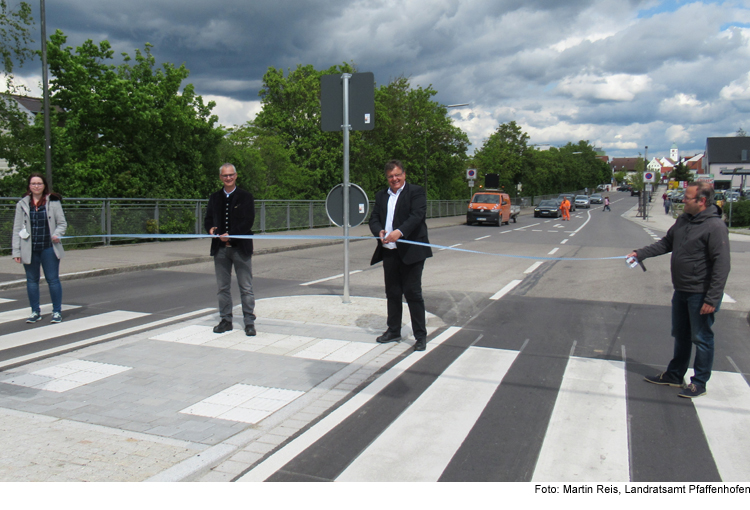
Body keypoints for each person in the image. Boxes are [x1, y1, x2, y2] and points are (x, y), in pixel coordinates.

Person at [629, 181, 730, 398]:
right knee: (681, 335)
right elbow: (666, 243)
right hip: (682, 289)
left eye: (687, 197)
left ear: (702, 201)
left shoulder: (715, 227)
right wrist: (641, 253)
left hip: (701, 293)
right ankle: (675, 375)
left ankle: (699, 382)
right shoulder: (684, 220)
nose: (682, 199)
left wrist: (712, 299)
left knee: (702, 338)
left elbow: (722, 265)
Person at [369, 160, 432, 351]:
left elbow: (417, 216)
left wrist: (399, 232)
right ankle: (393, 330)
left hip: (412, 252)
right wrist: (379, 231)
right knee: (393, 293)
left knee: (413, 293)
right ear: (387, 178)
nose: (394, 179)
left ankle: (420, 336)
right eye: (390, 176)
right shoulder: (381, 196)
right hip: (389, 252)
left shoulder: (416, 192)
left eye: (397, 175)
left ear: (404, 174)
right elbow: (374, 219)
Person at [204, 163, 257, 336]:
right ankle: (226, 320)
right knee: (222, 288)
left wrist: (231, 235)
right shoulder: (214, 197)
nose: (228, 178)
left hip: (240, 248)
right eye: (225, 176)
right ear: (221, 178)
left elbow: (248, 221)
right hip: (220, 249)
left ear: (236, 176)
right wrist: (211, 229)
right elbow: (209, 218)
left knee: (246, 287)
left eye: (231, 175)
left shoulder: (245, 197)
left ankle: (249, 321)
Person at [12, 173, 67, 323]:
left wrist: (57, 234)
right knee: (31, 281)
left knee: (53, 280)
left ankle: (57, 311)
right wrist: (16, 251)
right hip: (29, 249)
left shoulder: (53, 202)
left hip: (49, 248)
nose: (36, 186)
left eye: (39, 183)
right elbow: (17, 229)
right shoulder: (22, 204)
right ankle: (35, 311)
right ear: (29, 186)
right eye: (33, 183)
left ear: (44, 186)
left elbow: (62, 223)